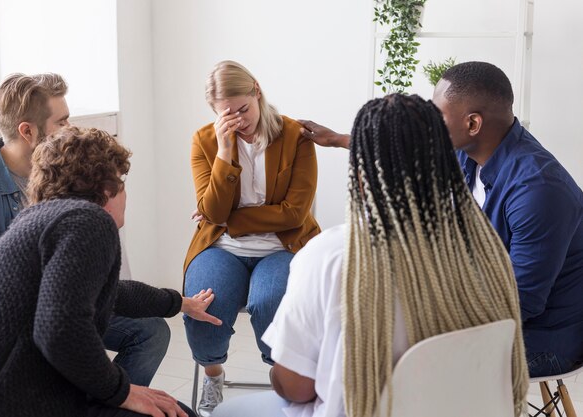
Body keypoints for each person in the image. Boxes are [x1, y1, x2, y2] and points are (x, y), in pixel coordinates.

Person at [212, 94, 529, 417]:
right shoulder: (487, 248)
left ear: (361, 177)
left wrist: (280, 370)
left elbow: (296, 387)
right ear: (444, 163)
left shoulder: (331, 256)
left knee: (227, 413)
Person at [300, 62, 583, 378]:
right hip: (492, 311)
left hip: (540, 339)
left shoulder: (538, 190)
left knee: (388, 355)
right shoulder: (471, 150)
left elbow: (520, 302)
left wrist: (426, 314)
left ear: (472, 123)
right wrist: (339, 139)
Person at [0, 126, 222, 417]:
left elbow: (114, 293)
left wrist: (179, 303)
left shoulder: (36, 223)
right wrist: (120, 391)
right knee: (176, 412)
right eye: (121, 180)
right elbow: (58, 330)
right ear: (107, 187)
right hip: (12, 401)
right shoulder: (88, 220)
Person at [0, 73, 171, 386]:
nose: (70, 130)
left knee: (150, 331)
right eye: (62, 121)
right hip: (10, 322)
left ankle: (109, 403)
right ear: (27, 131)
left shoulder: (61, 172)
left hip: (58, 301)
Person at [184, 60, 320, 416]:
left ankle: (285, 381)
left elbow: (294, 213)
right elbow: (213, 214)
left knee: (271, 302)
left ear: (256, 90)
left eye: (243, 109)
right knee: (203, 308)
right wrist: (225, 152)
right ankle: (213, 375)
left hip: (283, 247)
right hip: (220, 247)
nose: (239, 120)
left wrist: (232, 219)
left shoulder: (295, 137)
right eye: (227, 115)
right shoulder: (205, 140)